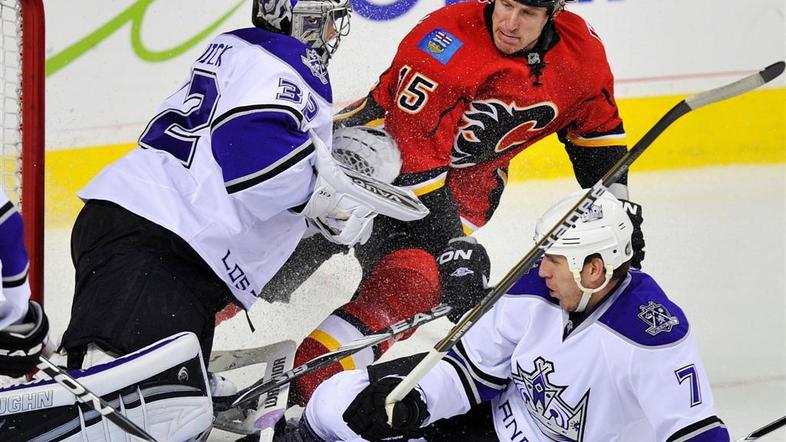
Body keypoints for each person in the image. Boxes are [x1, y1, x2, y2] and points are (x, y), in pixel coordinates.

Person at [260, 0, 646, 405]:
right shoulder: (446, 39)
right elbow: (413, 161)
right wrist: (454, 247)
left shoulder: (580, 54)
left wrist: (618, 209)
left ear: (554, 12)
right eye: (506, 5)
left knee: (415, 284)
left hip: (456, 196)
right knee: (267, 266)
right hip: (360, 175)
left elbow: (597, 135)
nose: (510, 24)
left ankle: (306, 387)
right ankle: (193, 341)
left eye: (528, 13)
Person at [281, 191, 729, 442]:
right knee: (335, 401)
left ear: (594, 269)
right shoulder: (534, 287)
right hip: (493, 420)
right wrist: (415, 405)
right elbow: (470, 372)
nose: (543, 268)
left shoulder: (650, 335)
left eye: (556, 259)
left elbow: (697, 431)